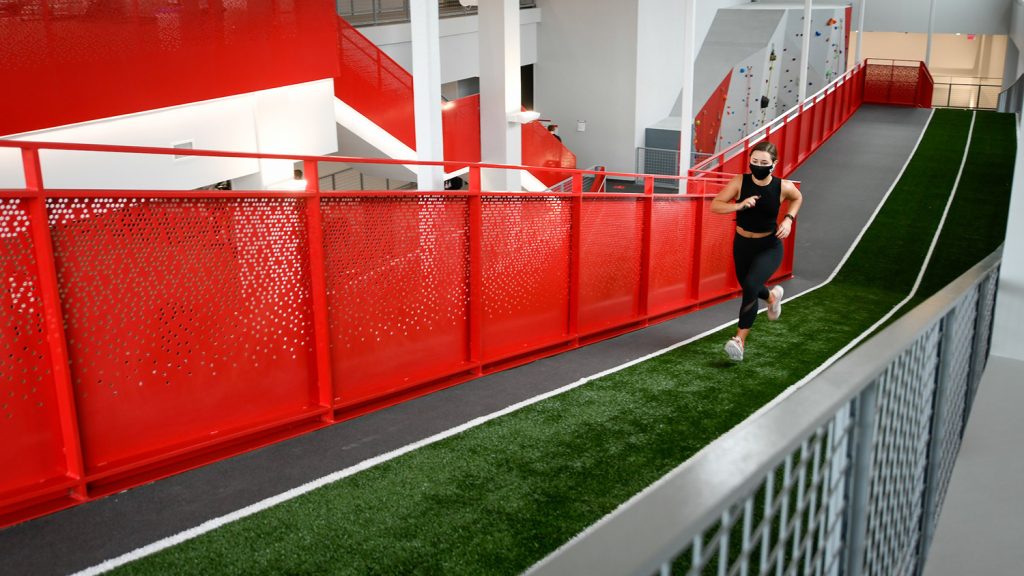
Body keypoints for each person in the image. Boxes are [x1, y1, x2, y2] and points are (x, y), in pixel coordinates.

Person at [709, 141, 802, 361]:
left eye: (763, 162)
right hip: (742, 244)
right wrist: (739, 205)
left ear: (774, 164)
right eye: (754, 161)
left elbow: (797, 197)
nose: (758, 165)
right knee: (749, 285)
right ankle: (772, 297)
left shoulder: (783, 186)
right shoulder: (739, 181)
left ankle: (739, 340)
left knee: (751, 286)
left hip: (769, 246)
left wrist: (788, 219)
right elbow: (715, 205)